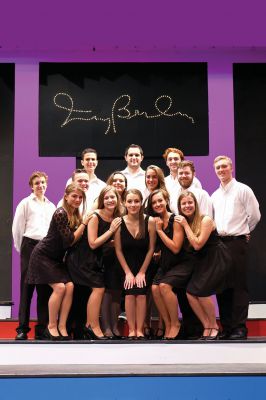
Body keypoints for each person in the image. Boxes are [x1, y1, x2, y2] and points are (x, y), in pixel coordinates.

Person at [27, 183, 90, 340]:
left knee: (69, 286)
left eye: (80, 197)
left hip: (56, 259)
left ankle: (62, 326)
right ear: (66, 196)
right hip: (43, 255)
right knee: (60, 288)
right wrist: (84, 224)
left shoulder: (75, 214)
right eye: (74, 196)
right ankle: (51, 326)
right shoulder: (60, 213)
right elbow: (69, 241)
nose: (77, 199)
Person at [211, 155, 261, 340]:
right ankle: (226, 327)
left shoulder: (243, 190)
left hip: (237, 242)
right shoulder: (214, 196)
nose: (221, 170)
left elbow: (255, 215)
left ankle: (239, 328)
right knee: (221, 287)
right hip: (219, 244)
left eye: (224, 166)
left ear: (231, 168)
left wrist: (245, 231)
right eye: (218, 168)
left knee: (238, 286)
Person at [175, 191, 230, 340]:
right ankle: (207, 325)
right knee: (190, 293)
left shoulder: (205, 220)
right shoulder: (185, 221)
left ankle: (214, 326)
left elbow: (197, 244)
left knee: (202, 292)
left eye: (190, 202)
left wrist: (185, 225)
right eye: (184, 203)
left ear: (196, 204)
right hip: (202, 261)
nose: (187, 206)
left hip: (215, 259)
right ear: (179, 207)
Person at [12, 171, 56, 340]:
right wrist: (21, 249)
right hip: (29, 246)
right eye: (37, 183)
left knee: (44, 289)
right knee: (27, 288)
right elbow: (17, 229)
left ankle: (42, 328)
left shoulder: (51, 206)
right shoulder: (25, 203)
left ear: (46, 184)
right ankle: (22, 328)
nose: (40, 186)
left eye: (43, 182)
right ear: (32, 186)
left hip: (45, 248)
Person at [147, 189, 195, 339]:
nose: (157, 204)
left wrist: (160, 231)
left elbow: (175, 248)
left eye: (160, 200)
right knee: (154, 288)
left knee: (164, 286)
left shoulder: (177, 220)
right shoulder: (154, 220)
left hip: (182, 263)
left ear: (167, 200)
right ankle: (168, 324)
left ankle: (175, 323)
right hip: (166, 264)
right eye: (154, 202)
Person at [79, 186, 122, 340]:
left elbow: (107, 242)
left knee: (102, 289)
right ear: (102, 200)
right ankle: (92, 326)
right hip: (84, 259)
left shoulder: (115, 217)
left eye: (113, 197)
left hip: (98, 260)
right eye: (107, 198)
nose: (110, 200)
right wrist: (111, 231)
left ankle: (91, 326)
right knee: (99, 289)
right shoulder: (95, 216)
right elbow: (93, 243)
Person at [115, 189, 156, 339]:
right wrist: (127, 272)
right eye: (130, 201)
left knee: (141, 295)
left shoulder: (149, 221)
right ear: (125, 203)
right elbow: (118, 250)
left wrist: (142, 272)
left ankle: (140, 329)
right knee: (130, 295)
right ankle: (132, 330)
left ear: (141, 202)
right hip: (126, 266)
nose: (133, 204)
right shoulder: (119, 222)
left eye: (136, 201)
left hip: (144, 265)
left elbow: (151, 249)